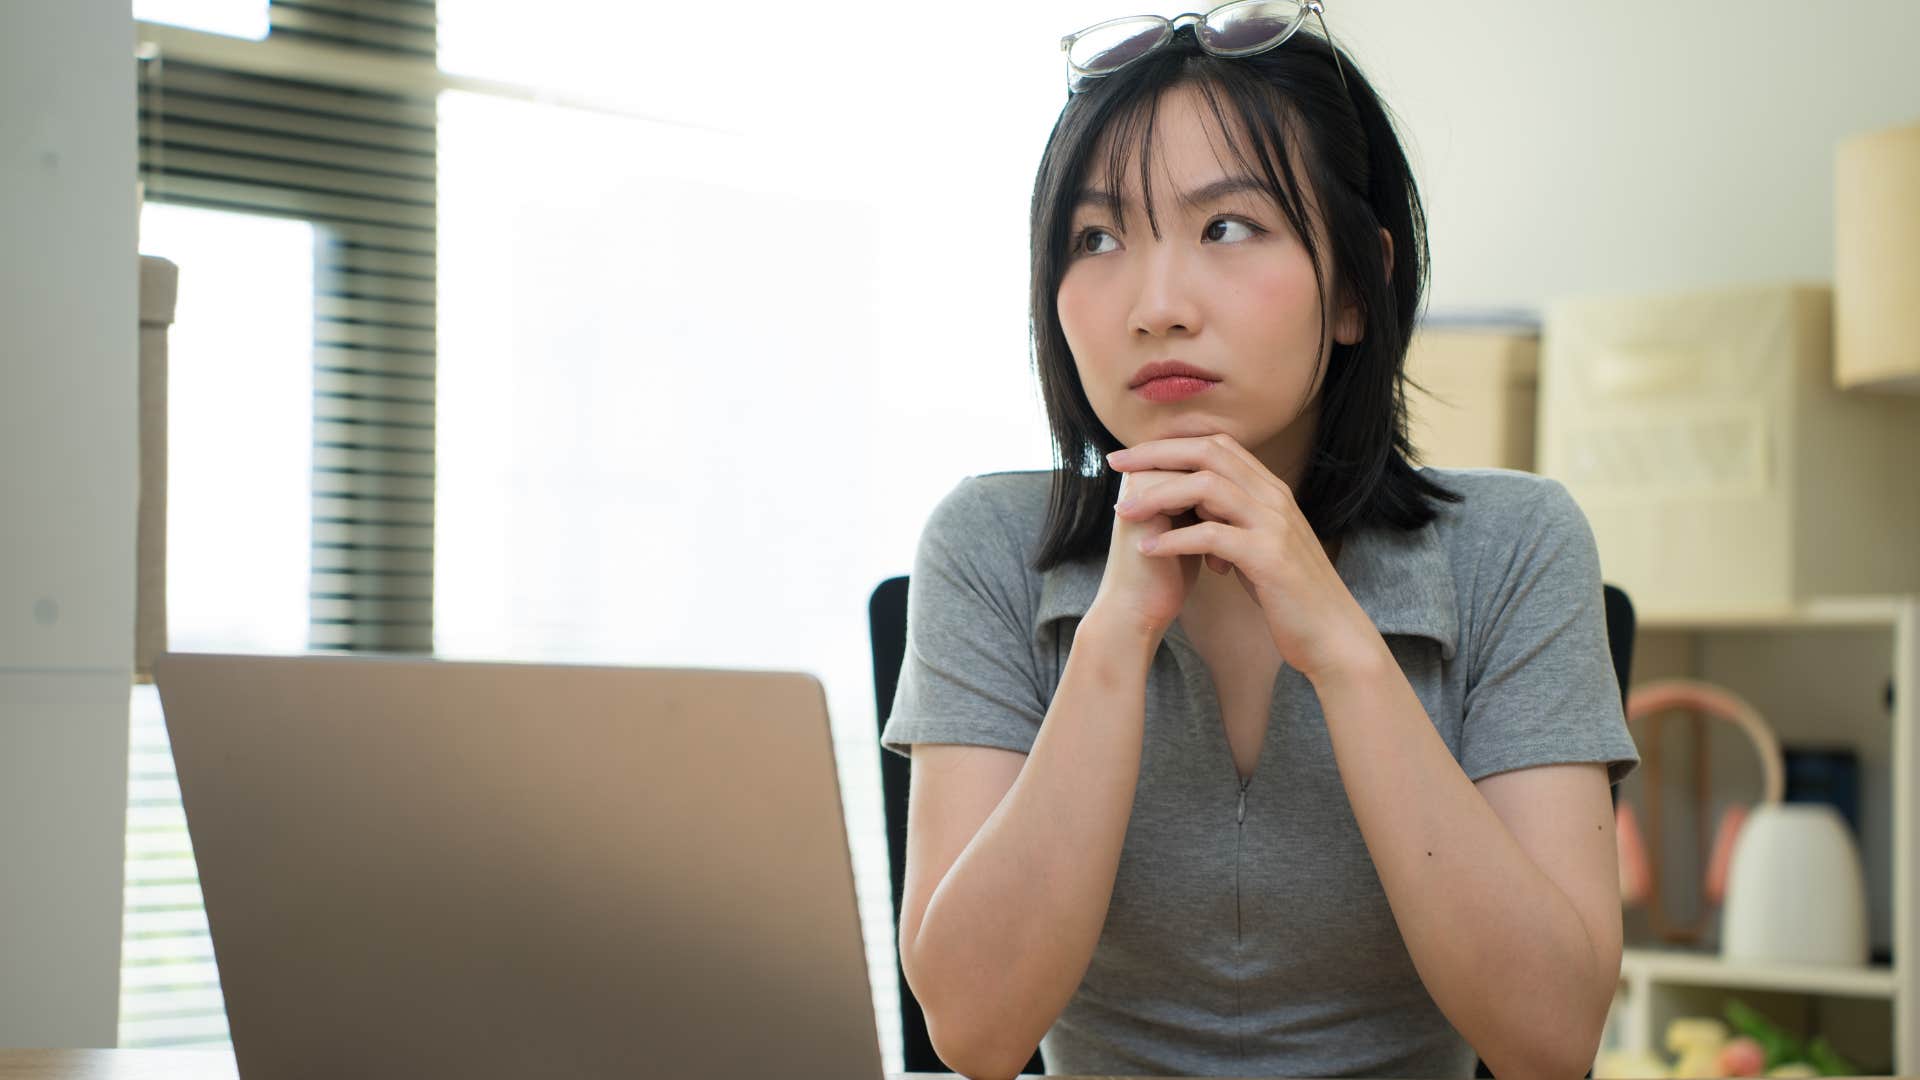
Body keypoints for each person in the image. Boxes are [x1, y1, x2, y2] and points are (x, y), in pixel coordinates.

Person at [879, 3, 1640, 1078]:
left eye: (1227, 227)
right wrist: (1113, 641)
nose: (1156, 305)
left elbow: (1550, 1039)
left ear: (1355, 289)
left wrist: (1338, 640)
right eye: (1096, 238)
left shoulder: (1516, 546)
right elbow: (976, 1034)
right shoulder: (989, 544)